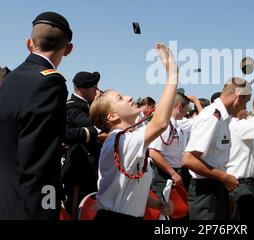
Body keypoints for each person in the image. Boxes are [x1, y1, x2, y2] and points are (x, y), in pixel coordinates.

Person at [89, 43, 176, 220]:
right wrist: (172, 74)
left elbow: (128, 192)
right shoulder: (119, 140)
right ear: (112, 116)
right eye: (120, 98)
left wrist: (159, 204)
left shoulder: (125, 139)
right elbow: (160, 123)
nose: (129, 97)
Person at [0, 11, 73, 219]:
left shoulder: (10, 80)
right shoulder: (50, 83)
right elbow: (42, 162)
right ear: (67, 50)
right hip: (29, 206)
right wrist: (47, 207)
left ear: (29, 44)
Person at [181, 78, 249, 220]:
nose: (245, 106)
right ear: (238, 97)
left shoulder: (223, 118)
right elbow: (189, 159)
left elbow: (216, 161)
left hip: (216, 189)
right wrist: (225, 178)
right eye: (246, 101)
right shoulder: (212, 117)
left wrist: (227, 192)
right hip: (205, 193)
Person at [62, 71, 106, 216]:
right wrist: (101, 105)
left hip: (94, 170)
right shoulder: (72, 107)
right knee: (76, 211)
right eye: (93, 86)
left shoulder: (89, 104)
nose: (97, 89)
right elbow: (95, 125)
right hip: (79, 170)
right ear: (82, 88)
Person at [149, 92, 203, 200]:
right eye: (186, 109)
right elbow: (153, 152)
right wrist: (172, 173)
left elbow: (203, 121)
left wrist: (196, 101)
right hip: (164, 174)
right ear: (180, 107)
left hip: (175, 172)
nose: (187, 112)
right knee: (162, 210)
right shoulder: (164, 124)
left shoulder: (178, 123)